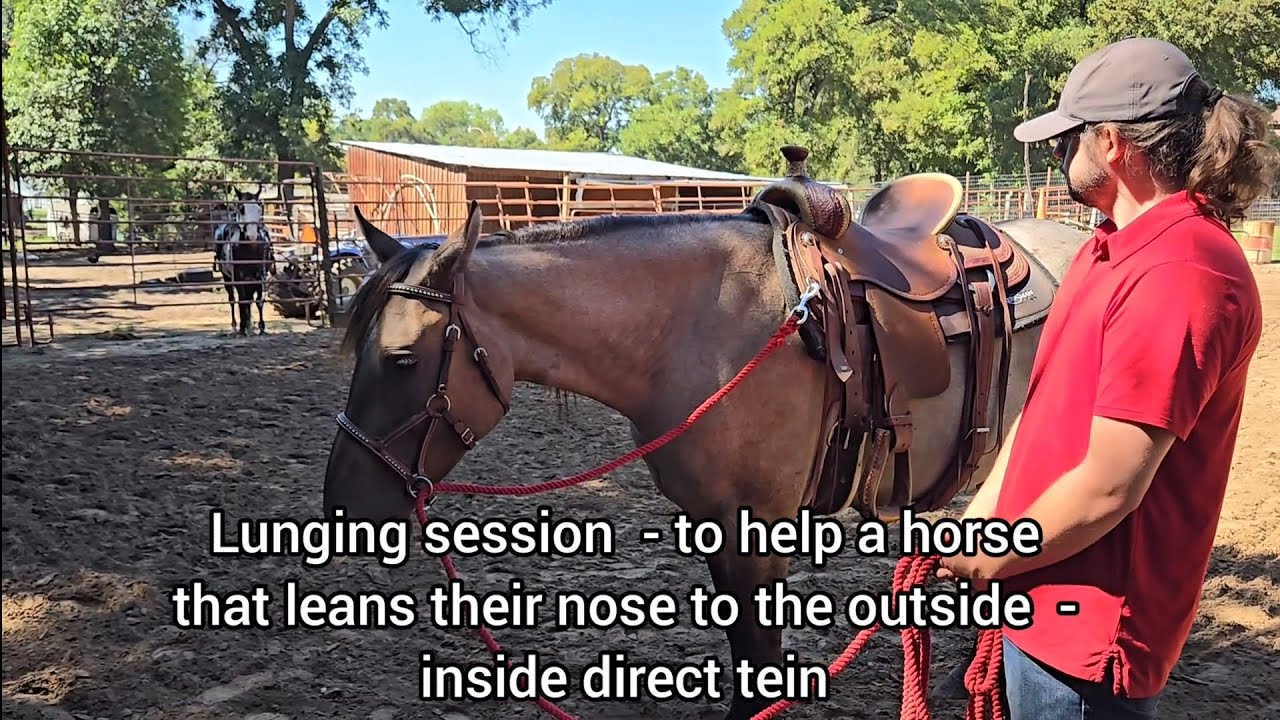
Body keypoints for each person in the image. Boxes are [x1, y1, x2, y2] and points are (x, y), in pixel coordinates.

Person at [935, 37, 1278, 719]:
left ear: (1113, 143)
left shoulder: (1182, 273)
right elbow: (1040, 416)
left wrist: (991, 560)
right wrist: (977, 526)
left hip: (1089, 632)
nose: (1061, 157)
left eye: (1067, 141)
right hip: (1041, 587)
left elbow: (1111, 483)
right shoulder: (1109, 250)